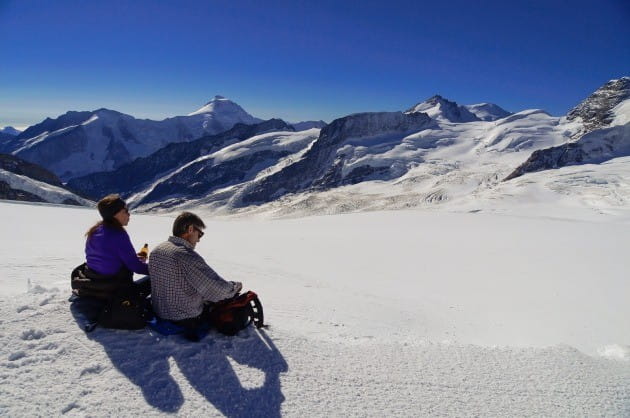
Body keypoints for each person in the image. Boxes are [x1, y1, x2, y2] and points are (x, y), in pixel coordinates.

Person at [148, 212, 242, 338]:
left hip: (159, 311)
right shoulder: (185, 255)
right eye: (200, 234)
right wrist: (234, 287)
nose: (198, 239)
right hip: (183, 317)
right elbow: (217, 289)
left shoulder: (158, 249)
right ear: (190, 229)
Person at [74, 194, 150, 299]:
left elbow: (107, 258)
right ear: (115, 214)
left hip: (95, 283)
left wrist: (133, 259)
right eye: (125, 211)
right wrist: (157, 270)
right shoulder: (118, 234)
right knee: (153, 281)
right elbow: (136, 267)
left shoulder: (95, 230)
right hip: (114, 287)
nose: (129, 214)